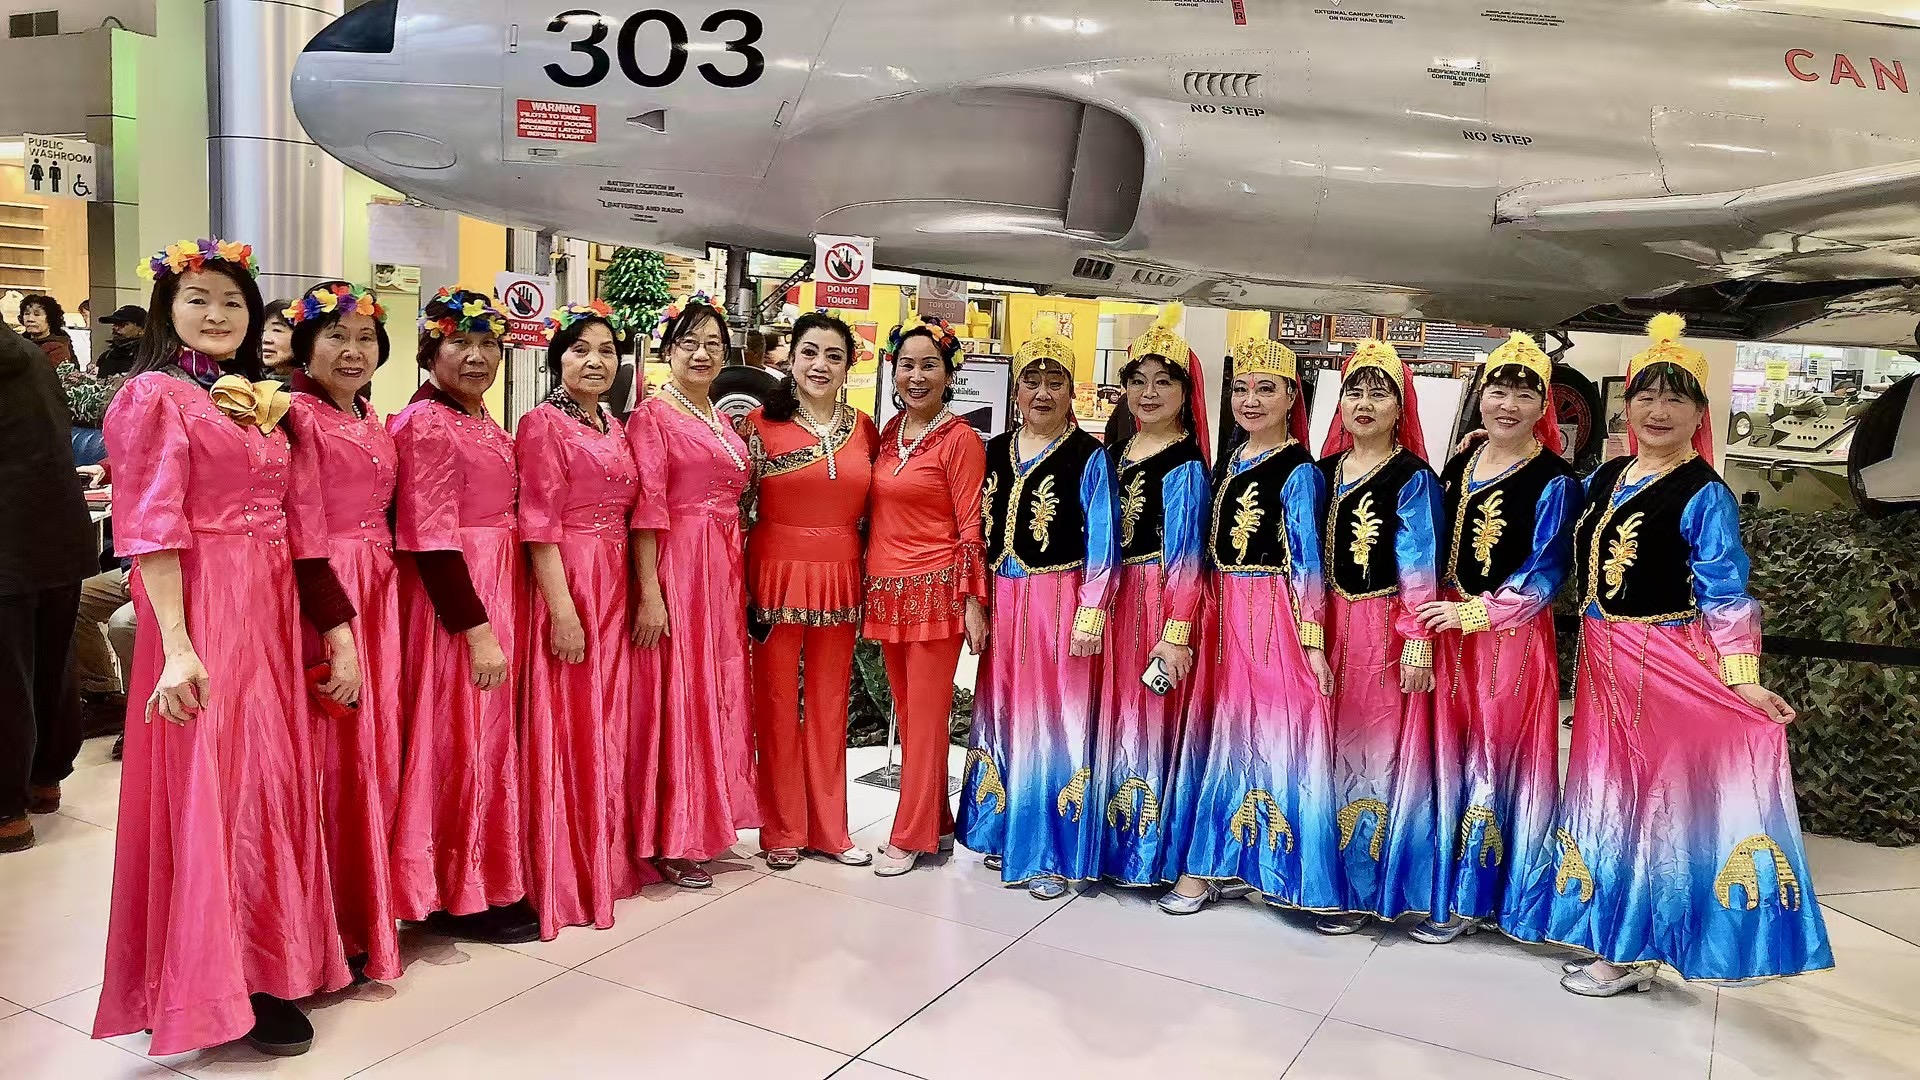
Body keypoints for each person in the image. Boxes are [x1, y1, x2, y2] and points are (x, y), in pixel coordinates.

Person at [1510, 315, 1832, 995]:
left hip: (1663, 665)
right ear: (1626, 405)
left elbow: (1726, 592)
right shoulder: (1607, 477)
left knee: (1653, 805)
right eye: (1646, 397)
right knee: (1605, 797)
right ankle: (1613, 932)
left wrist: (1741, 679)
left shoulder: (1704, 493)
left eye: (1675, 399)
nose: (1657, 412)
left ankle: (1634, 951)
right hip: (1603, 664)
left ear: (1699, 412)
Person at [92, 239, 360, 1056]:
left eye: (233, 302)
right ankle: (207, 980)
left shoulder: (257, 401)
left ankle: (268, 958)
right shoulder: (153, 396)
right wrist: (175, 645)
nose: (217, 315)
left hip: (270, 611)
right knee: (207, 786)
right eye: (198, 299)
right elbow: (152, 529)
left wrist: (336, 631)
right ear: (167, 310)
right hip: (201, 607)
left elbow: (304, 529)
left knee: (267, 781)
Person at [1159, 338, 1345, 915]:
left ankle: (1290, 876)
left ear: (1292, 397)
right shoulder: (1229, 461)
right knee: (1225, 736)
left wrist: (1312, 642)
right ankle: (1222, 861)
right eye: (1241, 389)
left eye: (1266, 389)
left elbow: (1308, 562)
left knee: (1279, 739)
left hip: (1275, 616)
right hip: (1223, 614)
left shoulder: (1299, 470)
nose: (1251, 400)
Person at [1406, 334, 1578, 944]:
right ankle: (1442, 885)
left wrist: (1477, 614)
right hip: (1448, 628)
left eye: (1524, 395)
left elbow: (1547, 568)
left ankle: (1480, 899)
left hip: (1508, 639)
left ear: (1543, 407)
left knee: (1494, 755)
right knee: (1448, 753)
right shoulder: (1462, 461)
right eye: (1498, 391)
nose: (1508, 405)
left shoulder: (1556, 479)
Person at [388, 287, 538, 944]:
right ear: (431, 350)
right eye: (460, 343)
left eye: (488, 344)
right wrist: (477, 633)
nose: (476, 357)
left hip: (498, 588)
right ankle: (455, 890)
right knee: (459, 739)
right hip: (458, 606)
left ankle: (484, 873)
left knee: (486, 738)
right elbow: (430, 539)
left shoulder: (478, 418)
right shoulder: (426, 423)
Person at [959, 334, 1119, 901]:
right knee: (1002, 710)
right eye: (1032, 381)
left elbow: (1104, 540)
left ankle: (1052, 849)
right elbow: (974, 532)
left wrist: (1091, 611)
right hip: (1003, 600)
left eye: (1055, 382)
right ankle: (1006, 828)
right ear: (1016, 388)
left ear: (1071, 391)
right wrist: (974, 601)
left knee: (1056, 719)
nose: (1043, 393)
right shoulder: (995, 449)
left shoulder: (1088, 456)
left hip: (1059, 600)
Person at [519, 300, 655, 939]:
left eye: (606, 351)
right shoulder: (541, 424)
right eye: (580, 350)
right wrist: (561, 610)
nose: (595, 361)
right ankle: (562, 870)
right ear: (557, 359)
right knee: (568, 720)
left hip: (613, 580)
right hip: (569, 577)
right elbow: (538, 525)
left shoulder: (614, 425)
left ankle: (604, 853)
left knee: (607, 718)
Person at [283, 281, 405, 983]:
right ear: (306, 345)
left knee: (369, 757)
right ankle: (325, 927)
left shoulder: (366, 415)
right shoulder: (295, 417)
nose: (353, 351)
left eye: (365, 339)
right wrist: (339, 634)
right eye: (336, 337)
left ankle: (365, 913)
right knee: (329, 761)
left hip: (378, 590)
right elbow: (302, 538)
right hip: (326, 599)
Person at [627, 292, 758, 889]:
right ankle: (672, 834)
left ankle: (710, 818)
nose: (702, 354)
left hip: (722, 567)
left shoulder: (721, 419)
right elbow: (647, 508)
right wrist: (650, 591)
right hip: (678, 564)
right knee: (679, 692)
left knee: (716, 687)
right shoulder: (653, 416)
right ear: (668, 350)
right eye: (689, 343)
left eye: (713, 344)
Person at [1314, 340, 1445, 936]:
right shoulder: (1321, 472)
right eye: (1355, 391)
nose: (1364, 404)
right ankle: (1320, 878)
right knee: (1321, 745)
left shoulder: (1413, 477)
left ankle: (1369, 888)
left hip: (1381, 631)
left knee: (1374, 751)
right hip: (1321, 624)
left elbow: (1420, 565)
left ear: (1401, 407)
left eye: (1379, 394)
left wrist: (1417, 640)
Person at [743, 311, 878, 870]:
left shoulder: (864, 427)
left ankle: (830, 830)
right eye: (810, 352)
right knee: (777, 701)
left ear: (848, 366)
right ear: (791, 358)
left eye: (833, 355)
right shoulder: (758, 425)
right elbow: (738, 510)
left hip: (841, 574)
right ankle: (781, 829)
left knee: (830, 702)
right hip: (774, 571)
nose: (821, 365)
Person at [1089, 322, 1210, 889]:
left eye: (1164, 381)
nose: (1149, 393)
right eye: (1138, 381)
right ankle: (1104, 845)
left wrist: (1176, 630)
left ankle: (1147, 854)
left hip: (1156, 603)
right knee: (1108, 717)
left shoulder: (1185, 464)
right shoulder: (1113, 453)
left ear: (1185, 392)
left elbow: (1187, 556)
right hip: (1110, 601)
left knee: (1147, 720)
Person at [866, 317, 988, 877]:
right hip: (887, 590)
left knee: (928, 718)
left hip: (936, 592)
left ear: (949, 373)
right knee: (912, 715)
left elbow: (971, 525)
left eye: (929, 365)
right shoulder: (890, 432)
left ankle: (908, 833)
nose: (916, 376)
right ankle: (935, 822)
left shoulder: (960, 439)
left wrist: (973, 600)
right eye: (907, 365)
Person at [0, 317, 96, 852]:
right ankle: (43, 779)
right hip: (58, 534)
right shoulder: (30, 354)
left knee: (7, 676)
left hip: (9, 539)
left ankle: (6, 809)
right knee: (49, 662)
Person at [21, 293, 75, 368]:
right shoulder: (17, 344)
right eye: (26, 314)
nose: (30, 319)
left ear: (50, 319)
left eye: (37, 314)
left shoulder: (59, 347)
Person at [95, 305, 147, 378]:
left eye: (122, 324)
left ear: (141, 328)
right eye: (114, 324)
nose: (115, 328)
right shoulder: (106, 357)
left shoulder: (149, 357)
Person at [261, 300, 297, 384]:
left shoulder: (312, 386)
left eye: (277, 330)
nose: (265, 339)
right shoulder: (251, 383)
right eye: (262, 331)